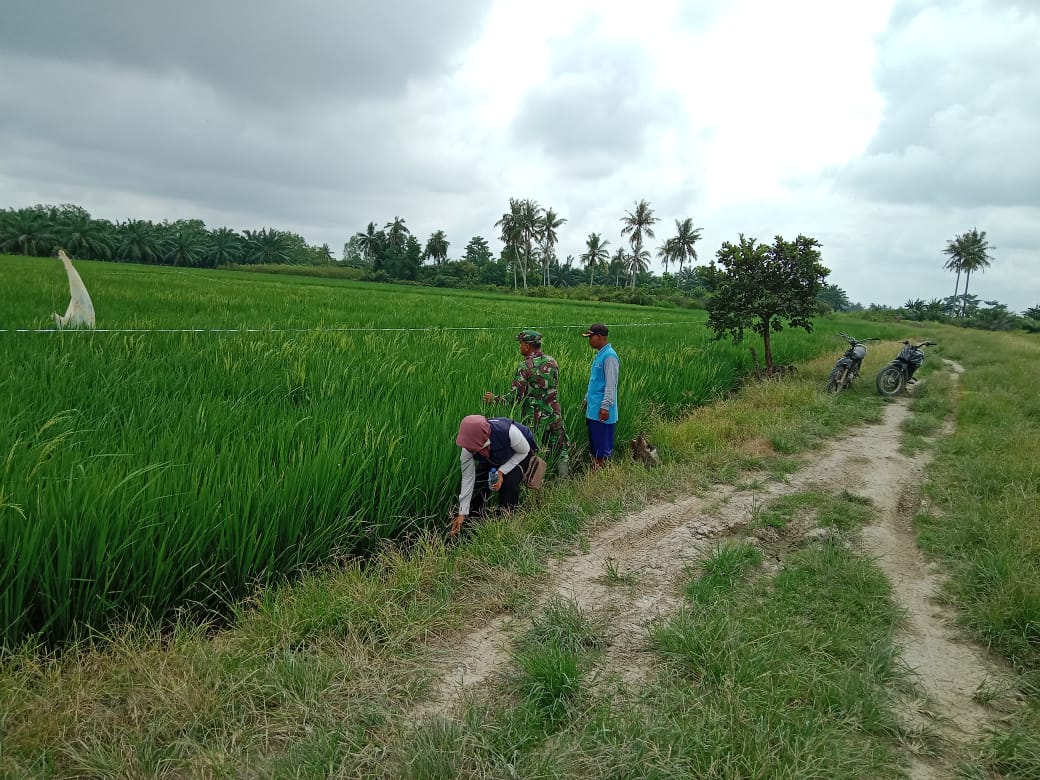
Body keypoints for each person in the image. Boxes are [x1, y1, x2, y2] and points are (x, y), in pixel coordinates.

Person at [483, 328, 570, 476]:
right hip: (554, 414)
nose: (520, 346)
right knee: (561, 448)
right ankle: (563, 481)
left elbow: (515, 398)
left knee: (533, 451)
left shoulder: (525, 367)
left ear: (527, 345)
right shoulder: (552, 361)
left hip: (535, 418)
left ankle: (536, 484)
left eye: (521, 343)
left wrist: (494, 399)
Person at [450, 414, 537, 536]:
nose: (469, 450)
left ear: (482, 439)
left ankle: (506, 524)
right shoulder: (468, 448)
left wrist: (501, 472)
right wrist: (462, 512)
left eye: (472, 447)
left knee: (508, 483)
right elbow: (468, 478)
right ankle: (473, 524)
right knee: (479, 483)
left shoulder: (509, 432)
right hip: (491, 456)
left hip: (519, 453)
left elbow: (524, 451)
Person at [581, 323, 619, 468]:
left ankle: (599, 475)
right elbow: (595, 382)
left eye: (591, 337)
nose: (589, 340)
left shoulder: (610, 356)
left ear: (600, 337)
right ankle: (597, 472)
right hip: (593, 408)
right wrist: (586, 399)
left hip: (601, 411)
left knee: (601, 450)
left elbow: (611, 384)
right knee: (595, 445)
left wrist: (605, 406)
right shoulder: (600, 355)